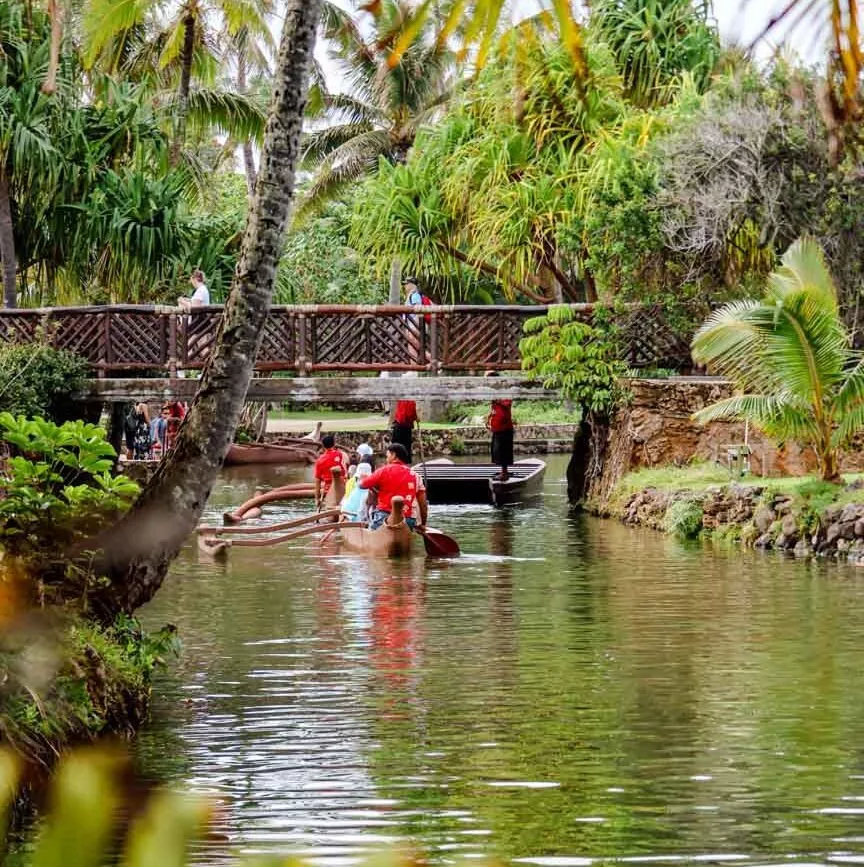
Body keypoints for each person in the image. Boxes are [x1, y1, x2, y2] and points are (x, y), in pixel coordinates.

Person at [359, 442, 428, 531]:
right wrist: (423, 524)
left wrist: (373, 487)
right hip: (408, 520)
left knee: (371, 533)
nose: (386, 459)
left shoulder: (383, 471)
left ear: (394, 455)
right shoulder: (416, 476)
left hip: (383, 517)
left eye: (387, 456)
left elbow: (362, 485)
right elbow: (423, 505)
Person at [314, 434, 348, 507]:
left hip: (328, 490)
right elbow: (346, 471)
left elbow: (317, 481)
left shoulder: (319, 460)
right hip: (344, 488)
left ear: (323, 446)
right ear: (334, 443)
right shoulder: (341, 454)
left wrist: (317, 499)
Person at [487, 396, 514, 480]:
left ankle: (504, 473)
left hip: (504, 428)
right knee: (497, 451)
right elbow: (495, 410)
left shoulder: (505, 396)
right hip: (497, 428)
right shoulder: (495, 401)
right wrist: (489, 418)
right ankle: (503, 472)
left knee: (503, 451)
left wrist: (497, 399)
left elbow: (507, 403)